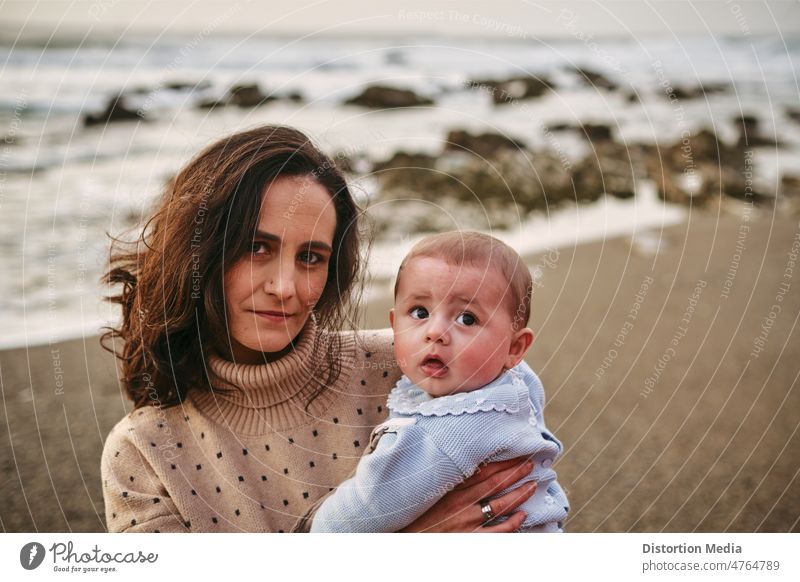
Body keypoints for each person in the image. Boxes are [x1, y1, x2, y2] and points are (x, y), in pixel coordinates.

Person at [100, 125, 538, 533]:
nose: (284, 287)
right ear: (200, 253)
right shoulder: (141, 453)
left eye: (310, 257)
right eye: (256, 247)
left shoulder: (414, 370)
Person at [311, 232, 569, 533]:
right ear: (395, 327)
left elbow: (348, 521)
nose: (436, 332)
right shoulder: (516, 382)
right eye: (420, 312)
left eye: (467, 319)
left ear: (514, 348)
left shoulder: (438, 437)